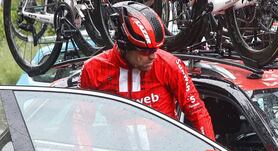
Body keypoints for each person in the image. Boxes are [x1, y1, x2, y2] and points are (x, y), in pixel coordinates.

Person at [78, 1, 215, 141]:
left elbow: (197, 112)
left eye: (155, 49)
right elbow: (81, 124)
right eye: (145, 51)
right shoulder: (94, 69)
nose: (153, 56)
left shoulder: (169, 64)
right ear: (124, 45)